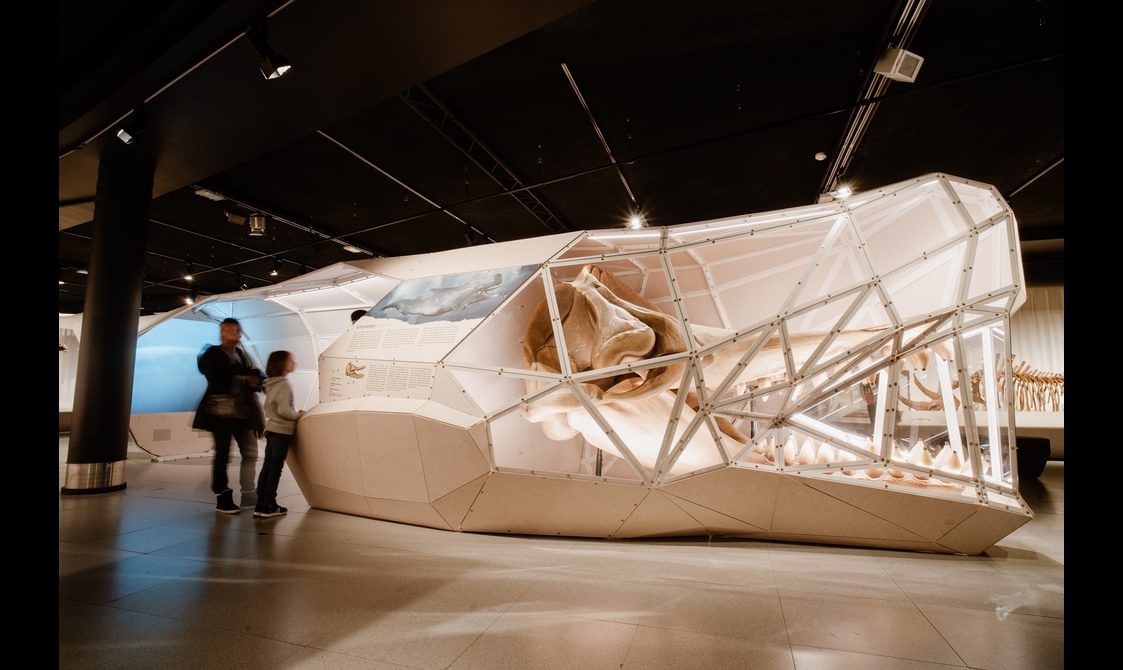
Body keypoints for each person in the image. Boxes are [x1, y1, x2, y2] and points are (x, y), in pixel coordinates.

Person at [192, 318, 264, 514]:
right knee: (223, 454)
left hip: (242, 414)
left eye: (238, 330)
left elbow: (255, 377)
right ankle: (222, 495)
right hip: (221, 413)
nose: (237, 334)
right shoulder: (213, 353)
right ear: (222, 332)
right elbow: (219, 374)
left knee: (250, 454)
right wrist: (248, 374)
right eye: (232, 330)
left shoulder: (242, 355)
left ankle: (249, 493)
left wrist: (255, 379)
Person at [255, 350, 304, 518]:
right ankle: (269, 505)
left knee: (267, 468)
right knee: (275, 470)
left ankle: (261, 503)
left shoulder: (270, 383)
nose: (294, 363)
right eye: (291, 360)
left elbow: (273, 407)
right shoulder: (283, 384)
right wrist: (299, 415)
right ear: (281, 364)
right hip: (282, 432)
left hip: (271, 430)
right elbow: (284, 410)